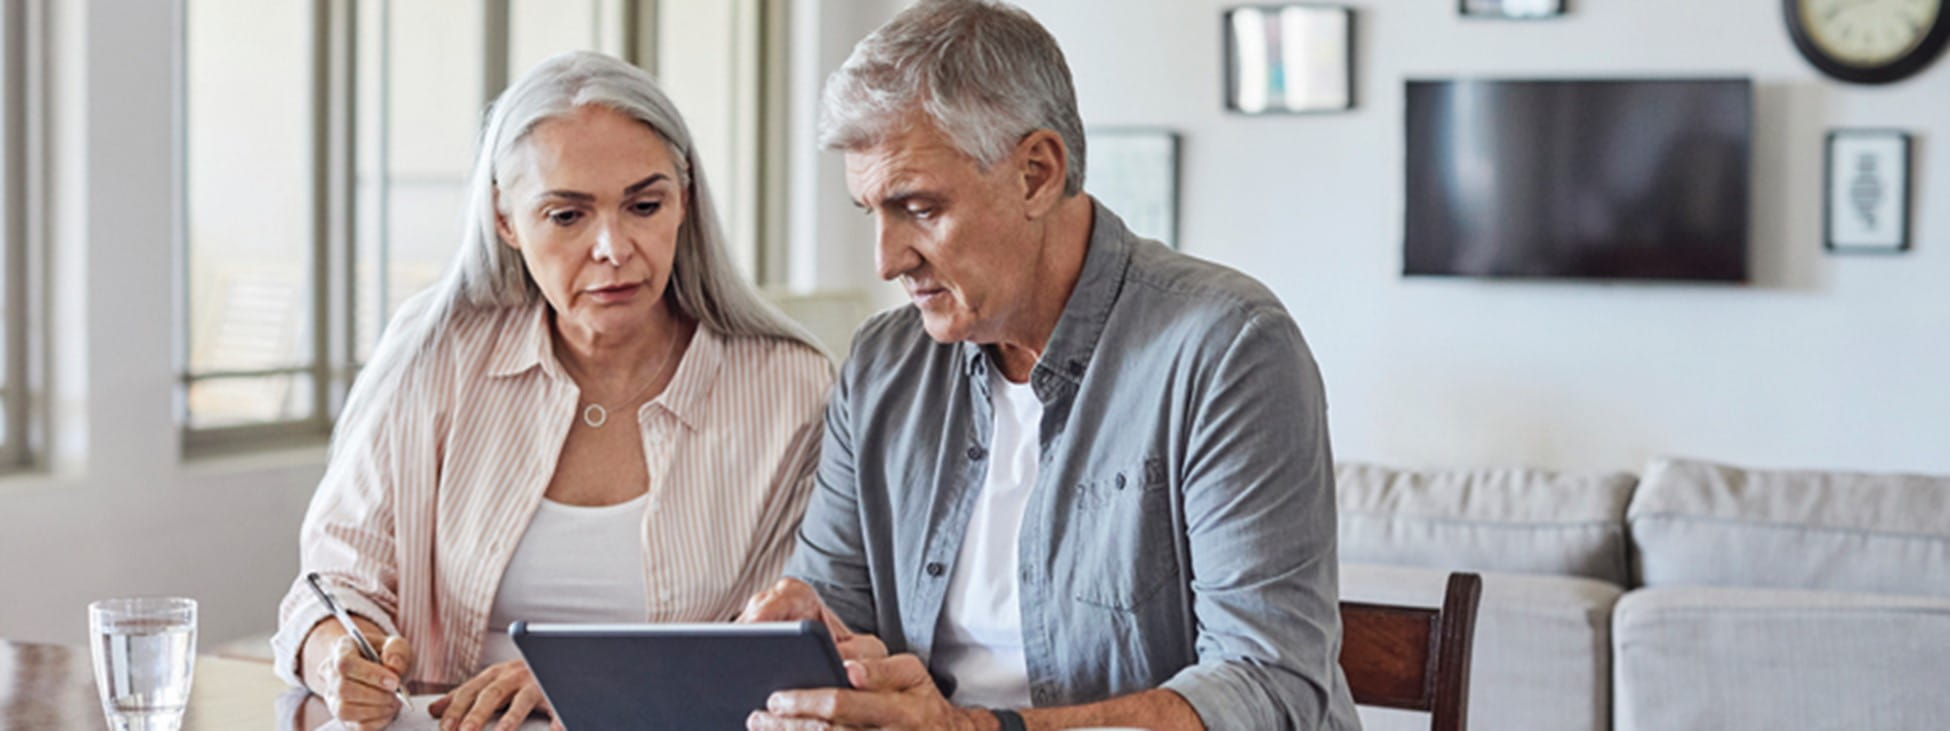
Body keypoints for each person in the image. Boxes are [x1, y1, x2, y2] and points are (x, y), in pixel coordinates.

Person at [739, 1, 1360, 729]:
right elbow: (838, 617)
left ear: (1037, 173)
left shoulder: (1229, 350)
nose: (886, 259)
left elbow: (1268, 687)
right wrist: (812, 653)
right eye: (869, 211)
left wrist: (976, 728)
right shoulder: (883, 366)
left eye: (918, 207)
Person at [271, 51, 833, 730]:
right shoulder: (435, 352)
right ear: (506, 219)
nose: (613, 248)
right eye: (567, 216)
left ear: (684, 199)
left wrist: (579, 680)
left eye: (644, 205)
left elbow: (787, 647)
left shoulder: (790, 389)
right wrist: (339, 655)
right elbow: (334, 578)